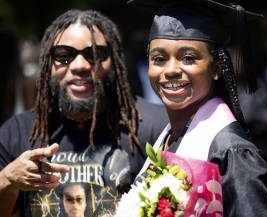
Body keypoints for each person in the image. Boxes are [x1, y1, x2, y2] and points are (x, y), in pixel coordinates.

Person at [0, 9, 168, 217]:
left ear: (114, 60)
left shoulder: (158, 127)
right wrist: (7, 179)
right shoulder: (15, 131)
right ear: (48, 63)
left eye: (95, 55)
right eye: (64, 55)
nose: (80, 65)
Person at [128, 0, 267, 216]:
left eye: (188, 58)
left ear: (216, 68)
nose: (171, 70)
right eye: (159, 59)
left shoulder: (231, 153)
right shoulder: (168, 137)